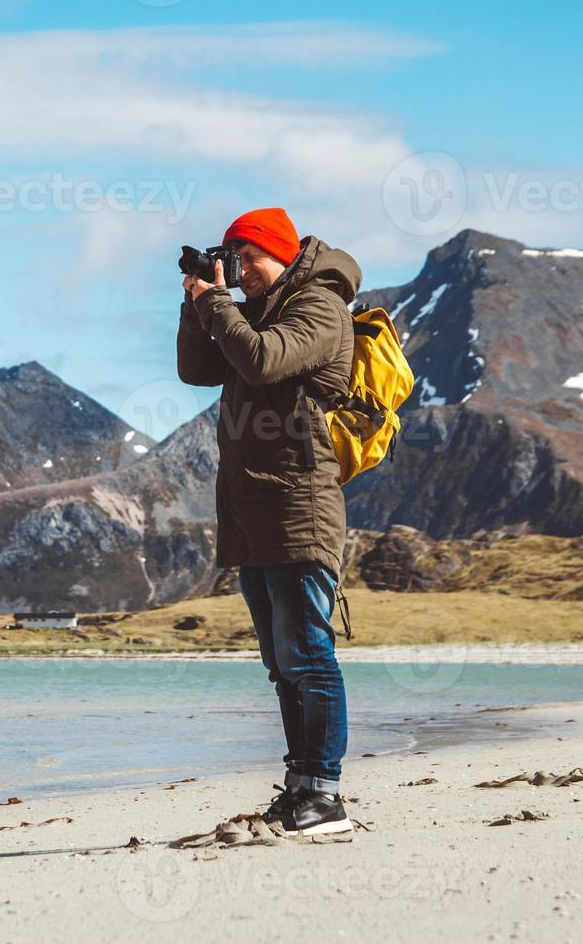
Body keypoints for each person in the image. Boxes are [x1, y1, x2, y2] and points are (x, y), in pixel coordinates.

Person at [175, 207, 360, 836]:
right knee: (281, 664)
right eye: (232, 259)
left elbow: (260, 361)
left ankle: (326, 795)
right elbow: (198, 370)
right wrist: (197, 298)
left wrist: (220, 302)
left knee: (309, 654)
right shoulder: (251, 310)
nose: (241, 271)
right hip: (254, 508)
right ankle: (300, 785)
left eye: (248, 257)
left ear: (281, 253)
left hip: (300, 504)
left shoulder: (319, 306)